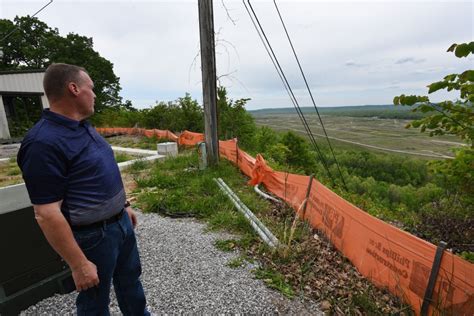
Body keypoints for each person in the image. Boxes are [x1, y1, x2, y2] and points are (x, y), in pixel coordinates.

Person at [17, 63, 149, 315]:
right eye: (92, 88)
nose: (95, 94)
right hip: (92, 237)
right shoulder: (42, 143)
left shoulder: (82, 126)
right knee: (94, 303)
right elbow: (45, 213)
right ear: (74, 88)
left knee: (131, 283)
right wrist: (78, 265)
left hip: (120, 225)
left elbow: (101, 171)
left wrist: (123, 207)